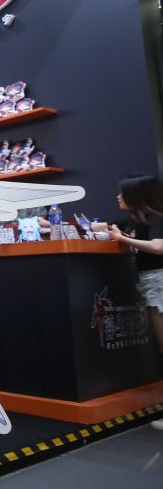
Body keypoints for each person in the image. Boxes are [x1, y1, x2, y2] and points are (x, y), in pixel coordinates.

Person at [101, 176, 163, 431]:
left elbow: (158, 247)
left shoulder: (155, 219)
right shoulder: (138, 221)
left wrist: (124, 239)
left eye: (122, 193)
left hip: (158, 281)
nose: (118, 197)